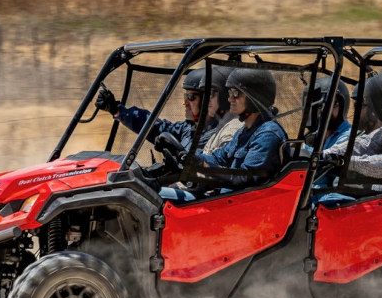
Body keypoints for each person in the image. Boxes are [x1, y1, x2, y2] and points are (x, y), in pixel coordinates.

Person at [159, 68, 288, 201]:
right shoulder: (245, 131)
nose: (229, 99)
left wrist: (205, 167)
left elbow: (244, 178)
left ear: (253, 97)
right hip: (225, 200)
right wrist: (185, 156)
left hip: (239, 208)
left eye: (236, 93)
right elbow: (218, 158)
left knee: (160, 199)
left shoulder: (267, 134)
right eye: (229, 93)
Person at [95, 66, 234, 153]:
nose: (185, 103)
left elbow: (211, 169)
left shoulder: (224, 135)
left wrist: (179, 155)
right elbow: (156, 128)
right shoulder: (190, 128)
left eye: (191, 97)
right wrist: (117, 110)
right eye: (185, 96)